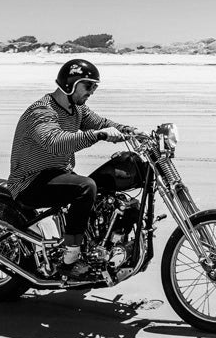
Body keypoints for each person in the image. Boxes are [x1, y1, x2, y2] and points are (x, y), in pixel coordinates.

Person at [7, 58, 137, 278]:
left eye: (95, 87)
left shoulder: (77, 109)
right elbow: (55, 141)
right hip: (29, 181)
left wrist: (131, 130)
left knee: (106, 193)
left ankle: (100, 249)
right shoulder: (41, 112)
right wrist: (96, 136)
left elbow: (102, 123)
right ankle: (70, 258)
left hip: (56, 174)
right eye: (88, 86)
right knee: (85, 187)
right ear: (71, 84)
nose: (92, 92)